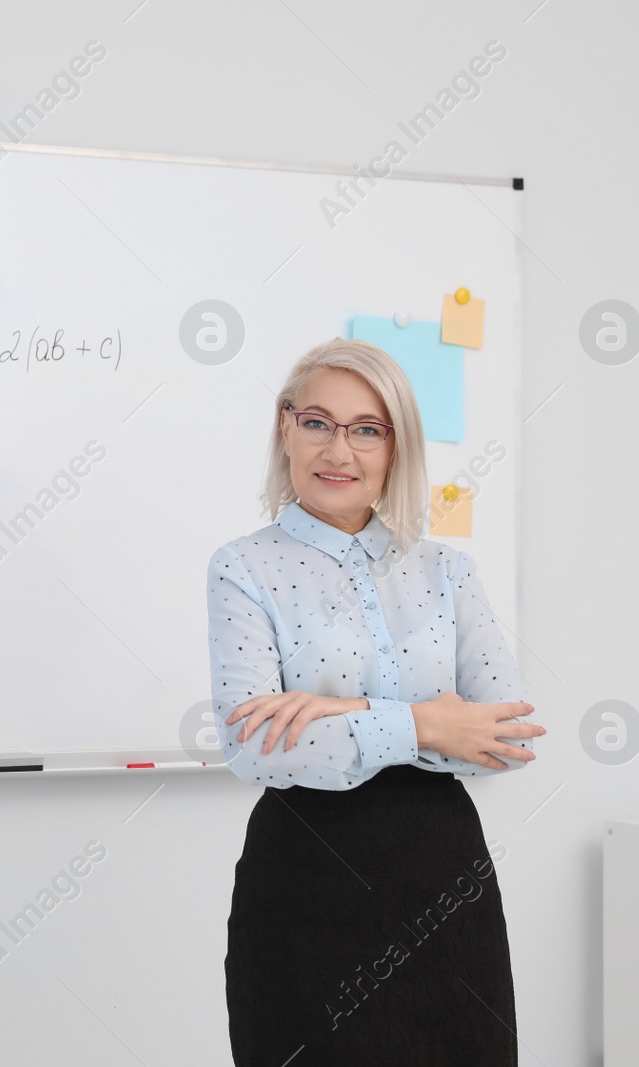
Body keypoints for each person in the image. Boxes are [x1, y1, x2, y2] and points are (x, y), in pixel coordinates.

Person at [206, 337, 546, 1065]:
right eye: (318, 422)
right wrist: (427, 722)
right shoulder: (243, 568)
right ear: (285, 426)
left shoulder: (447, 571)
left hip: (444, 877)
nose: (340, 449)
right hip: (304, 881)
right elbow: (258, 745)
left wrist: (330, 711)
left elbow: (507, 735)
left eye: (367, 429)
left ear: (396, 448)